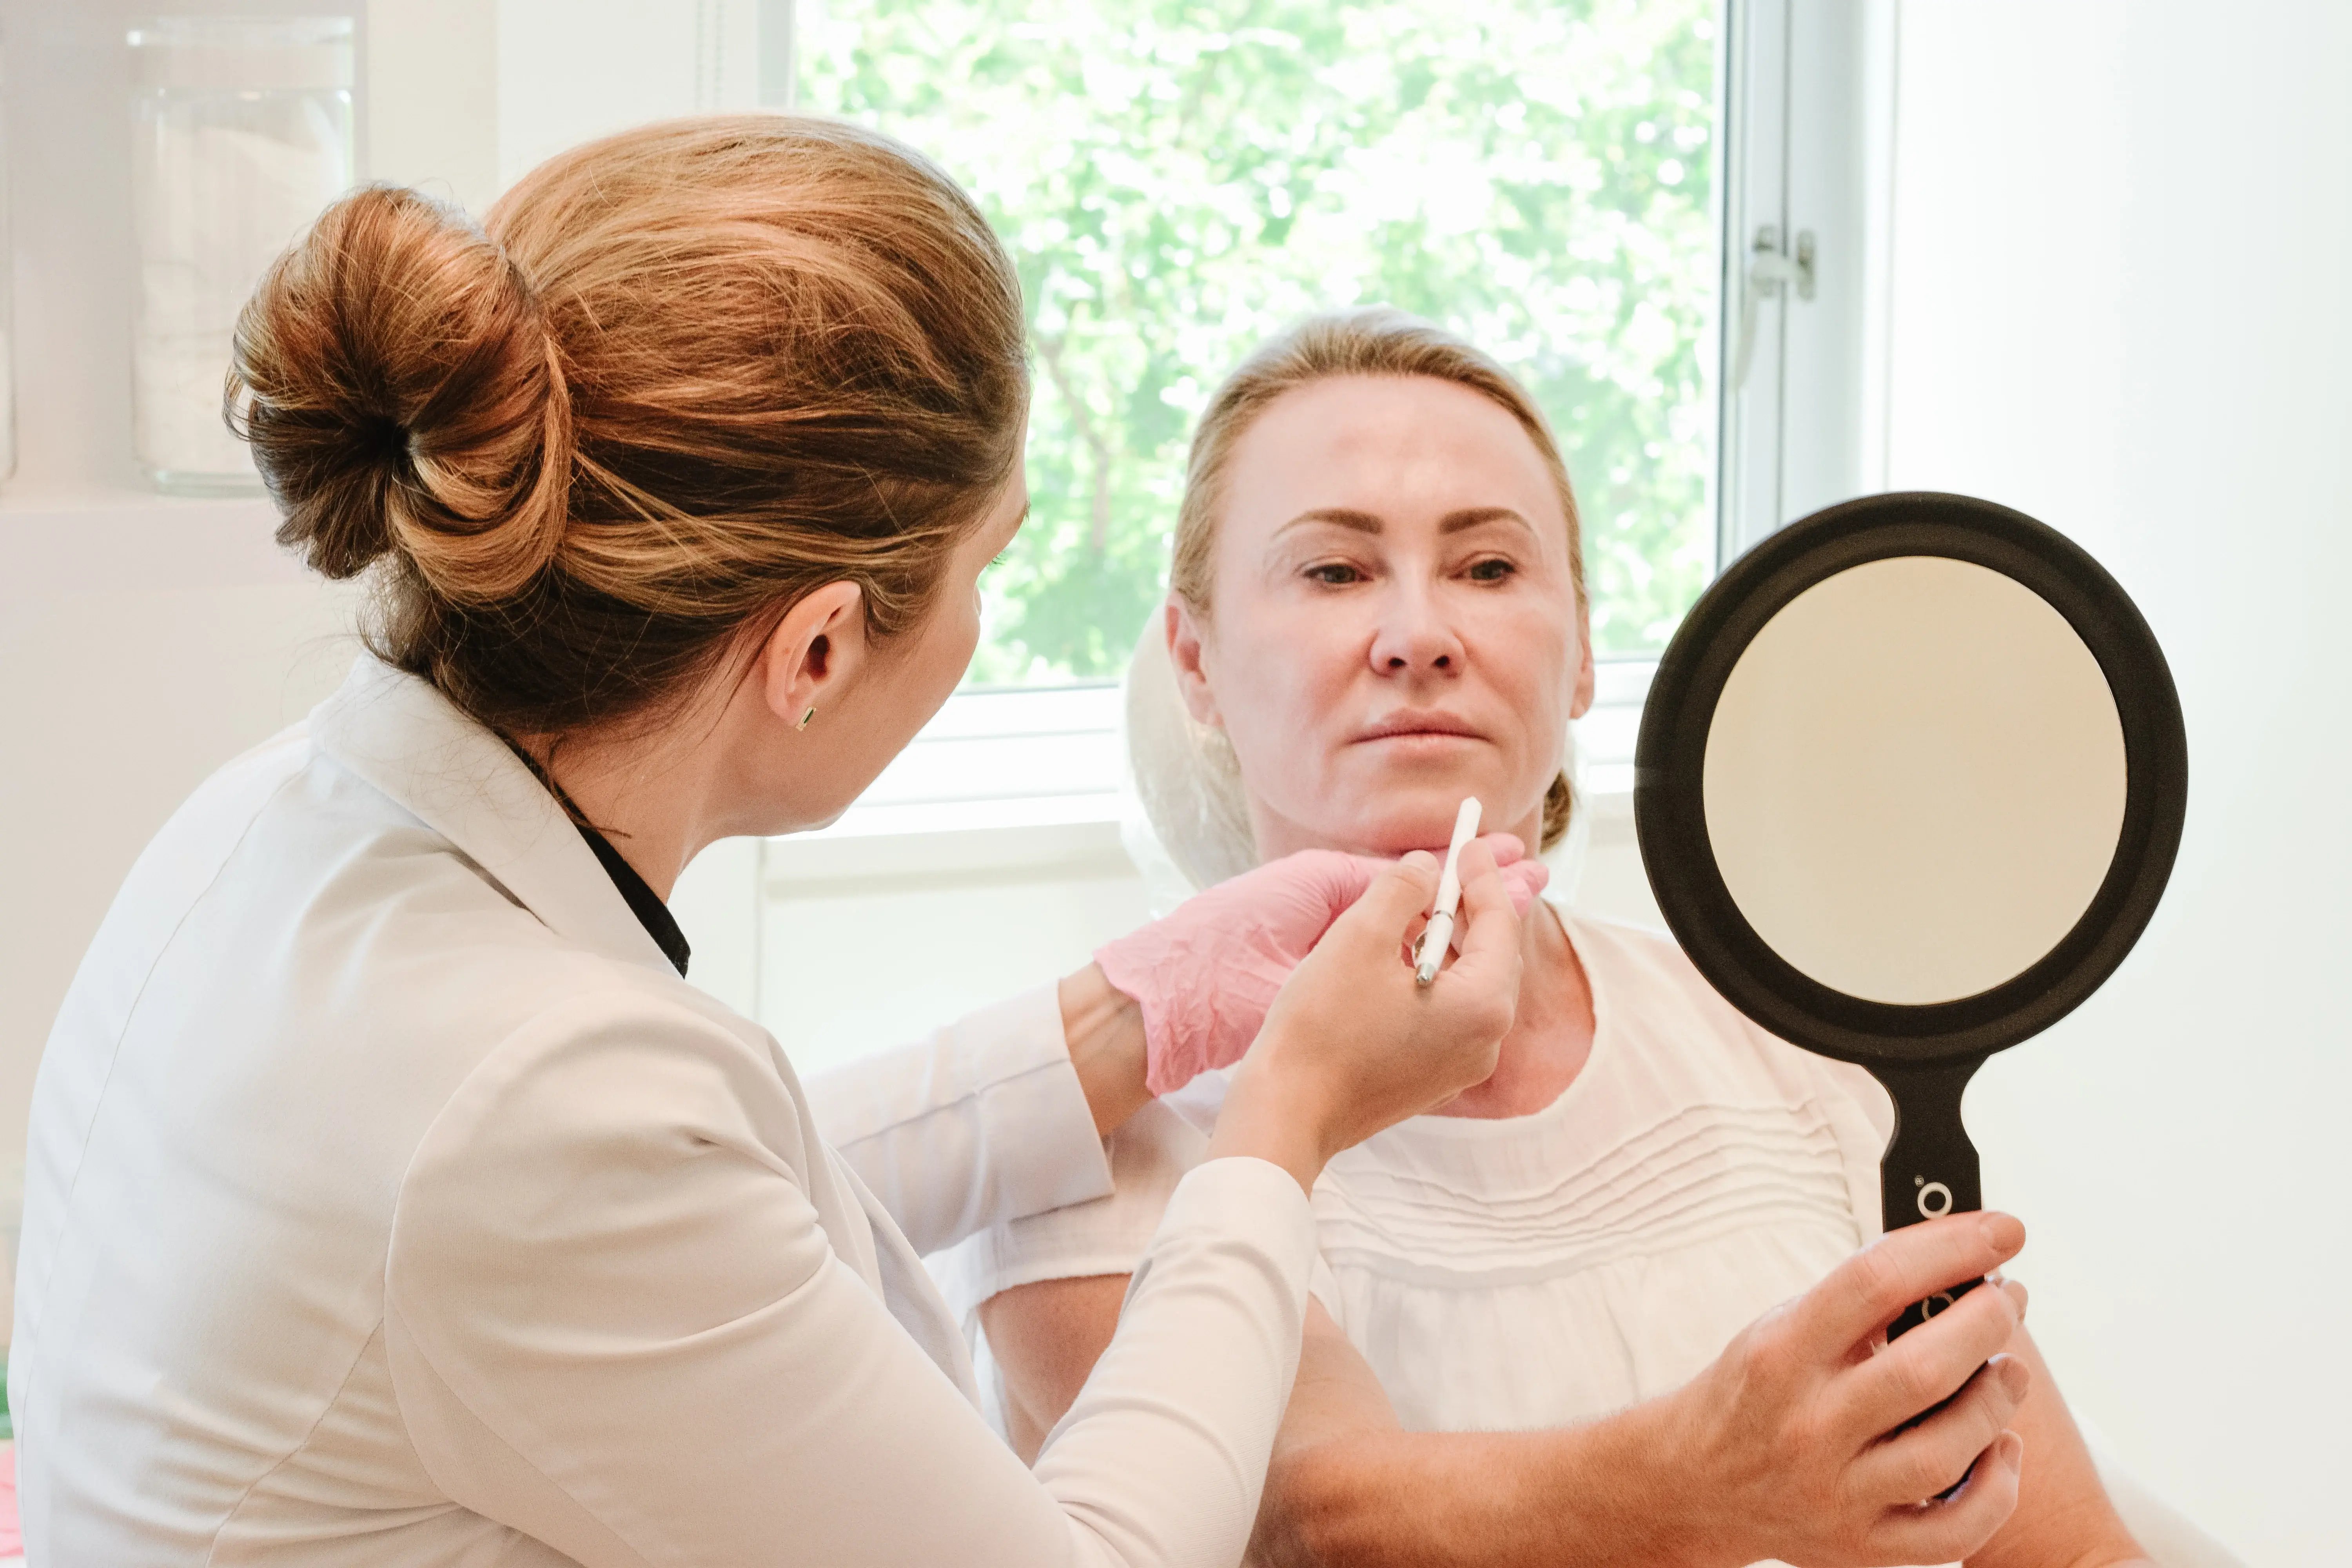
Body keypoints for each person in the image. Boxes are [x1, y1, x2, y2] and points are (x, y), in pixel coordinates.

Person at [4, 120, 1552, 1567]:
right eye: (981, 566)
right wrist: (1283, 1119)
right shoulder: (530, 1107)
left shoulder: (275, 813)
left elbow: (699, 1212)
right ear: (814, 652)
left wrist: (1127, 1017)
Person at [960, 310, 2185, 1568]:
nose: (1418, 633)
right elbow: (1310, 1526)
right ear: (1194, 662)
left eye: (1489, 570)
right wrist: (1714, 1482)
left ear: (1586, 652)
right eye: (1334, 572)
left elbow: (2070, 1551)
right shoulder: (1087, 1138)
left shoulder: (1788, 1046)